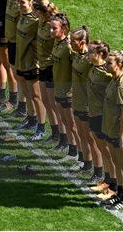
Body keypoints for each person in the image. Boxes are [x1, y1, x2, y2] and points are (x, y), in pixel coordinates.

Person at [101, 50, 123, 210]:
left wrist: (121, 136)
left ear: (119, 65)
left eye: (109, 63)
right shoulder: (115, 79)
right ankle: (120, 194)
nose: (106, 65)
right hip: (113, 129)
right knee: (119, 163)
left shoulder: (121, 84)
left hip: (121, 132)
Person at [14, 0, 47, 140]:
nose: (19, 4)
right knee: (27, 93)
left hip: (32, 63)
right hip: (21, 61)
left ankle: (41, 127)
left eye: (22, 2)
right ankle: (31, 119)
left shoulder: (36, 22)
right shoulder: (22, 16)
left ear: (31, 3)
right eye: (17, 1)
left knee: (35, 95)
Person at [50, 13, 82, 163]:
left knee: (73, 125)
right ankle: (72, 150)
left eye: (54, 28)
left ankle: (82, 157)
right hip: (58, 88)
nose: (51, 31)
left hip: (68, 92)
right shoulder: (57, 42)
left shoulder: (69, 47)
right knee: (64, 121)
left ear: (64, 29)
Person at [87, 40, 117, 198]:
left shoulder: (107, 74)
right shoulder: (93, 68)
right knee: (102, 150)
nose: (87, 54)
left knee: (108, 152)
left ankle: (114, 186)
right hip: (93, 114)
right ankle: (107, 181)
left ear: (100, 54)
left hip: (102, 116)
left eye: (91, 52)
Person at [70, 26, 101, 175]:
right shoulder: (77, 55)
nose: (70, 43)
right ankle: (86, 164)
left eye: (73, 41)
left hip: (87, 105)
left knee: (91, 139)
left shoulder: (90, 61)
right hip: (77, 101)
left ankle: (98, 171)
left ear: (82, 41)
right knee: (81, 134)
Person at [32, 0, 62, 144]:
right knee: (46, 101)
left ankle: (64, 139)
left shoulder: (52, 25)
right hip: (43, 66)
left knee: (55, 105)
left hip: (51, 68)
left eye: (34, 9)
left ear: (39, 11)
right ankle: (56, 134)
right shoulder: (41, 22)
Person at [3, 0, 30, 115]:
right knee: (16, 75)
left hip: (18, 44)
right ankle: (20, 105)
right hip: (11, 41)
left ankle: (23, 106)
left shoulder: (19, 3)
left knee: (20, 77)